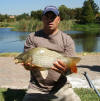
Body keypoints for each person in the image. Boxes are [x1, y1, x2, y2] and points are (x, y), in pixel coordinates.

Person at [23, 6, 81, 101]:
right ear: (42, 19)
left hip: (61, 88)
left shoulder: (67, 39)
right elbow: (26, 63)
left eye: (52, 17)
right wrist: (28, 66)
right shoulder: (32, 37)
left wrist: (66, 69)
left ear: (58, 19)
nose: (50, 20)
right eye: (47, 17)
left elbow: (70, 71)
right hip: (36, 88)